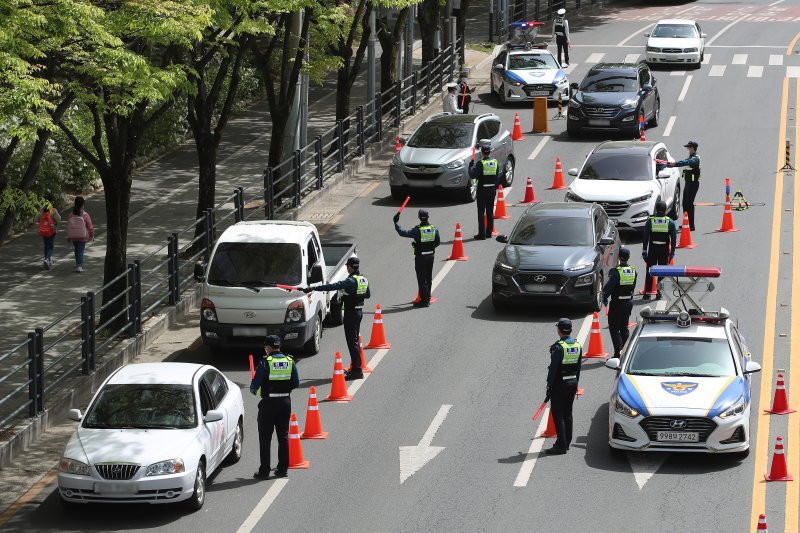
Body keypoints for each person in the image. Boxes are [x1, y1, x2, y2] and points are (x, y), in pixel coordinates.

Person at [303, 256, 370, 379]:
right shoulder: (363, 279)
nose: (347, 268)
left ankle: (357, 371)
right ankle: (356, 368)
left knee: (352, 342)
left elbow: (332, 286)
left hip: (351, 314)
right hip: (359, 312)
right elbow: (368, 295)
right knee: (354, 341)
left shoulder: (350, 281)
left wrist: (313, 288)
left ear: (350, 267)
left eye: (347, 266)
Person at [250, 335, 299, 480]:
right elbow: (296, 383)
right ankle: (282, 469)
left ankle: (264, 471)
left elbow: (255, 385)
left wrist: (254, 389)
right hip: (285, 402)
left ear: (269, 347)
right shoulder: (290, 361)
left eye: (265, 347)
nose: (265, 350)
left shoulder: (266, 363)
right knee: (283, 437)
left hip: (268, 404)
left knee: (265, 439)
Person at [546, 318, 582, 455]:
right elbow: (578, 367)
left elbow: (553, 369)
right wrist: (576, 383)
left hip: (560, 384)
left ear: (559, 330)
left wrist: (549, 385)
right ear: (570, 330)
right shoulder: (577, 345)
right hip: (572, 382)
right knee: (568, 413)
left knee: (558, 413)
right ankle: (567, 442)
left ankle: (561, 444)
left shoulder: (558, 347)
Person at [393, 208, 441, 308]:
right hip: (431, 256)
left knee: (422, 279)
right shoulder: (434, 229)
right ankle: (428, 297)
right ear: (428, 217)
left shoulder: (417, 230)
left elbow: (402, 232)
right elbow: (437, 243)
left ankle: (424, 301)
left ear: (419, 217)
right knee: (428, 277)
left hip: (421, 257)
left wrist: (396, 223)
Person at [602, 247, 637, 358]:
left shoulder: (616, 272)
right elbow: (633, 286)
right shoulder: (633, 270)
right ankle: (627, 351)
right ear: (629, 257)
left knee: (614, 328)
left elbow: (609, 288)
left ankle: (618, 352)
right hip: (628, 302)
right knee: (624, 327)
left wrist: (604, 298)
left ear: (618, 257)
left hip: (617, 303)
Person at [641, 200, 677, 299]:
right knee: (662, 271)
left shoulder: (651, 221)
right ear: (665, 210)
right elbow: (673, 239)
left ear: (656, 209)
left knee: (650, 270)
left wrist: (644, 251)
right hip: (664, 249)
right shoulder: (670, 222)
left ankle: (647, 293)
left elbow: (645, 236)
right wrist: (672, 252)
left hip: (652, 248)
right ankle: (659, 293)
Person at [468, 139, 500, 240]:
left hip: (482, 190)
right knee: (490, 212)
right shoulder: (495, 162)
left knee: (481, 212)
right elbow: (497, 175)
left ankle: (481, 234)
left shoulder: (480, 163)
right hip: (492, 190)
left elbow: (472, 175)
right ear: (490, 152)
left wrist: (470, 167)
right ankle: (489, 233)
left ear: (482, 153)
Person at [668, 141, 701, 231]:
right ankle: (686, 223)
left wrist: (675, 164)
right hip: (688, 183)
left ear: (692, 148)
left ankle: (691, 225)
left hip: (693, 184)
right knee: (685, 204)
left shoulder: (695, 159)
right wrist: (671, 165)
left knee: (689, 204)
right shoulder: (691, 157)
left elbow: (686, 162)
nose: (687, 149)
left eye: (689, 147)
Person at [66, 196, 94, 273]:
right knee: (80, 250)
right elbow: (90, 225)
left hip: (74, 236)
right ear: (82, 205)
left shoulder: (71, 215)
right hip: (83, 236)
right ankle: (79, 265)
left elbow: (69, 226)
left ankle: (78, 263)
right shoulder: (85, 215)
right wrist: (92, 234)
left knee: (77, 249)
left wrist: (69, 236)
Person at [38, 200, 61, 270]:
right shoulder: (53, 210)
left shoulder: (42, 210)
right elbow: (59, 219)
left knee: (46, 245)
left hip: (43, 230)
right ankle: (47, 259)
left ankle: (47, 260)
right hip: (51, 230)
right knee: (50, 246)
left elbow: (38, 219)